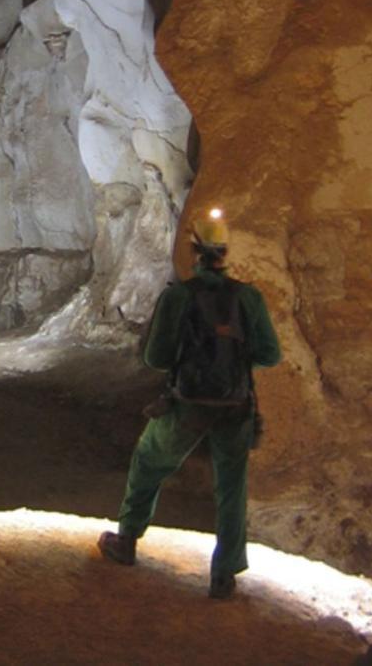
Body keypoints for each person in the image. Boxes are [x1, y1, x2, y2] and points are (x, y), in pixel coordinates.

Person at [97, 208, 281, 599]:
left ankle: (127, 540)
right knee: (231, 486)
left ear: (194, 250)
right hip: (235, 406)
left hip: (187, 404)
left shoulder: (179, 296)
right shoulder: (248, 297)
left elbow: (156, 358)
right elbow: (269, 355)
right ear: (225, 252)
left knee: (149, 461)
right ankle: (224, 574)